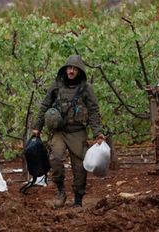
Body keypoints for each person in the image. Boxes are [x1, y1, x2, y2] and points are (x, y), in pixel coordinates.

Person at [32, 55, 105, 208]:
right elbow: (45, 105)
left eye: (75, 69)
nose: (71, 71)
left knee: (79, 167)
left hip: (78, 131)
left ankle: (78, 199)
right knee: (55, 159)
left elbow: (93, 111)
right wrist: (37, 127)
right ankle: (60, 191)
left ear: (79, 71)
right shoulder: (57, 86)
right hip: (59, 131)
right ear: (65, 69)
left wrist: (98, 132)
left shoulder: (86, 89)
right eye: (69, 68)